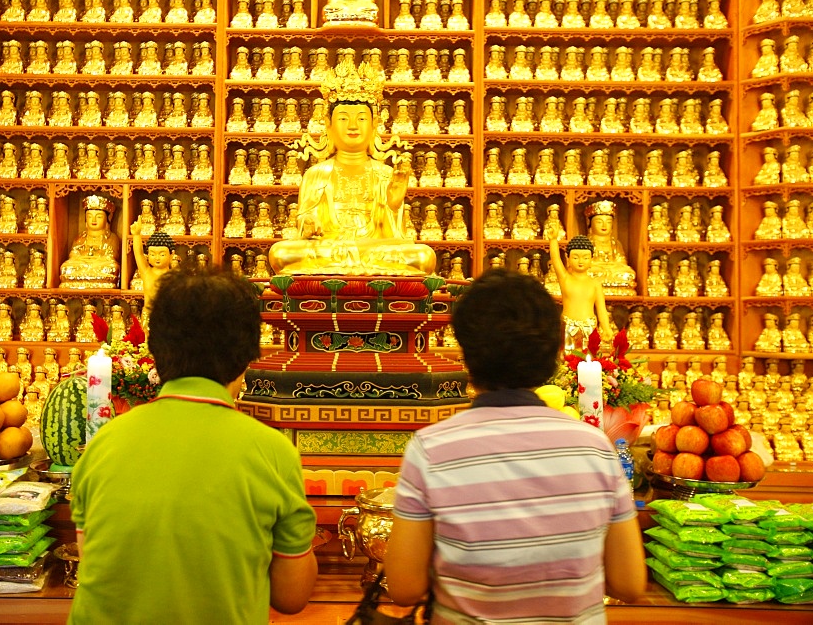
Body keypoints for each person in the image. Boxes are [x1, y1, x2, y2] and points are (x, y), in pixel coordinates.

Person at [385, 270, 647, 622]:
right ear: (554, 351)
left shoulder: (432, 449)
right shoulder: (594, 447)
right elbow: (629, 584)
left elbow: (403, 587)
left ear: (466, 352)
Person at [70, 269, 318, 623]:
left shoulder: (104, 442)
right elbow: (292, 597)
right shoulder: (272, 451)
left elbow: (94, 562)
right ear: (248, 354)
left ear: (154, 347)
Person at [267, 56, 436, 275]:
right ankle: (360, 269)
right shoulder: (316, 173)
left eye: (362, 119)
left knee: (423, 257)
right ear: (328, 124)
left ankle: (342, 270)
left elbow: (395, 237)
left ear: (375, 124)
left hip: (373, 248)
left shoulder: (385, 174)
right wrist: (308, 223)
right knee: (281, 253)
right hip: (329, 249)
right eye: (344, 118)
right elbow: (305, 225)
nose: (353, 126)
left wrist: (393, 206)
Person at [549, 232, 613, 352]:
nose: (580, 261)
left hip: (589, 326)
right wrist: (553, 240)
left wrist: (606, 327)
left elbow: (601, 309)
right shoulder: (565, 278)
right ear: (568, 259)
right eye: (575, 257)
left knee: (589, 359)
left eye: (585, 257)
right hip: (568, 325)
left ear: (591, 259)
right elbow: (556, 259)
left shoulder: (595, 283)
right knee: (566, 358)